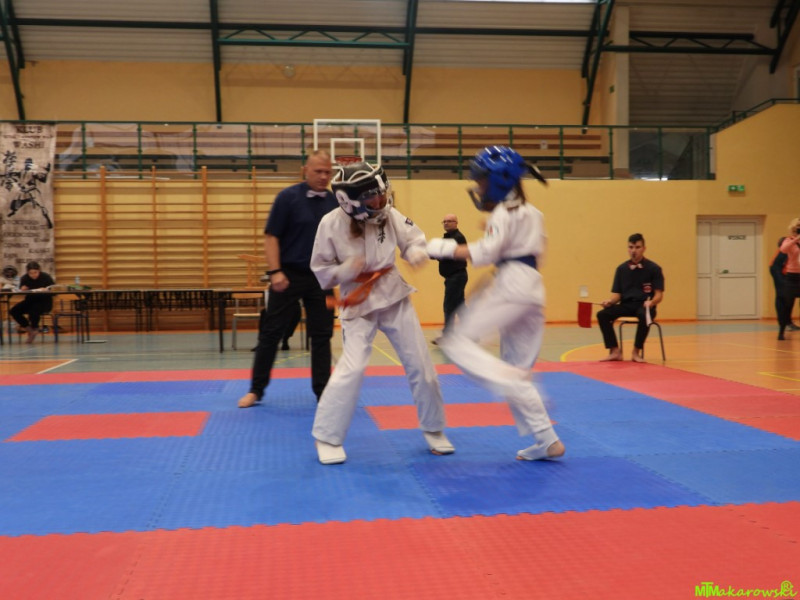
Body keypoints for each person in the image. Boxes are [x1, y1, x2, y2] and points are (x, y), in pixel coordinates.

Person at [310, 159, 454, 465]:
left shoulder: (389, 214)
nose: (381, 199)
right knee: (352, 369)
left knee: (421, 364)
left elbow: (413, 240)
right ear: (351, 202)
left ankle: (434, 428)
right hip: (358, 302)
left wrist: (416, 252)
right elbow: (320, 271)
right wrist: (344, 271)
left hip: (393, 295)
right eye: (372, 197)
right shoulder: (330, 225)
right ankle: (327, 436)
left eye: (381, 192)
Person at [426, 146, 564, 462]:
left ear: (499, 180)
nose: (478, 187)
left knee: (455, 342)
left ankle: (508, 379)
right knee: (518, 369)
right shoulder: (533, 213)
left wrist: (437, 247)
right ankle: (547, 440)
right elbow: (528, 253)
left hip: (513, 285)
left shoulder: (503, 213)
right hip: (532, 288)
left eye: (481, 181)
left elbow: (485, 253)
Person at [237, 150, 338, 408]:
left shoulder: (335, 202)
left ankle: (323, 392)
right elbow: (271, 236)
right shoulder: (287, 197)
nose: (323, 176)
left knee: (322, 335)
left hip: (322, 277)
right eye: (318, 171)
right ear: (305, 170)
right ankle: (256, 390)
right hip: (288, 274)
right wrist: (275, 272)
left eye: (327, 172)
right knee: (271, 333)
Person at [596, 233, 665, 362]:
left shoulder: (654, 268)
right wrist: (610, 301)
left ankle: (636, 352)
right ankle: (615, 351)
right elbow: (617, 295)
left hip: (645, 305)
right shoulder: (621, 269)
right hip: (626, 305)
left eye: (637, 247)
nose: (634, 250)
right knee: (602, 315)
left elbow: (659, 295)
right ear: (627, 248)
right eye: (631, 247)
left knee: (645, 315)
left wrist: (652, 302)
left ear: (644, 248)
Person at [435, 213, 468, 337]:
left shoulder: (458, 238)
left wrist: (433, 252)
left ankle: (447, 334)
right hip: (453, 277)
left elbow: (446, 254)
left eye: (449, 221)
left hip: (456, 276)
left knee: (449, 305)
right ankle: (472, 332)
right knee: (460, 306)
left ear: (456, 223)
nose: (446, 223)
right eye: (444, 221)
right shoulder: (448, 238)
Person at [10, 261, 55, 343]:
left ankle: (35, 328)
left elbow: (54, 290)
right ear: (27, 272)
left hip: (45, 302)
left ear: (39, 271)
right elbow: (20, 290)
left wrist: (46, 290)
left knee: (34, 309)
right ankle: (29, 329)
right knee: (14, 311)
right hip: (30, 301)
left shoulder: (46, 277)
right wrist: (22, 289)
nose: (33, 275)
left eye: (35, 272)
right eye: (31, 273)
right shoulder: (25, 278)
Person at [769, 236, 800, 336]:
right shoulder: (789, 241)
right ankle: (783, 323)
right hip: (778, 269)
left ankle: (787, 322)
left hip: (791, 273)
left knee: (790, 296)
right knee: (783, 296)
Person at [778, 218, 800, 340]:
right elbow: (783, 249)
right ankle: (781, 331)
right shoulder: (789, 240)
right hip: (792, 277)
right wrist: (797, 239)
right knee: (788, 305)